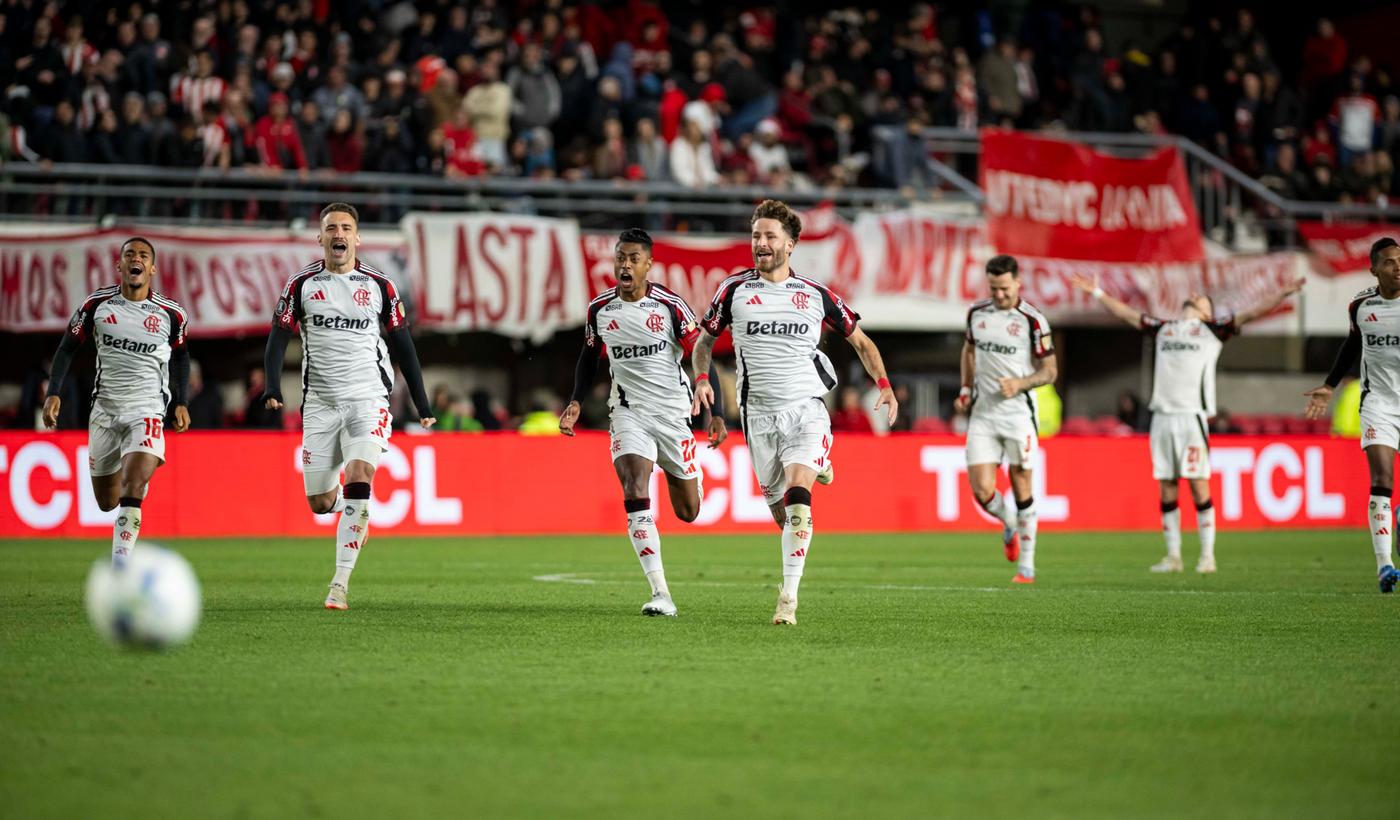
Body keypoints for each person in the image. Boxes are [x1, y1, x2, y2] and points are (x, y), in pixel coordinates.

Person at [691, 200, 897, 625]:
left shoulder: (815, 295)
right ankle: (820, 463)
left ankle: (788, 598)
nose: (761, 243)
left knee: (799, 499)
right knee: (783, 516)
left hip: (805, 410)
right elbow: (703, 342)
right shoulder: (733, 291)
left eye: (770, 236)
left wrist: (884, 385)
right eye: (756, 235)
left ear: (790, 244)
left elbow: (862, 342)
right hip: (757, 417)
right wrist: (702, 378)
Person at [262, 204, 435, 610]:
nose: (338, 234)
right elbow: (278, 336)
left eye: (345, 228)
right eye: (331, 228)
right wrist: (272, 384)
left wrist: (422, 402)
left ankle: (339, 583)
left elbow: (403, 344)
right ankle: (351, 510)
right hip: (320, 404)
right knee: (320, 502)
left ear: (356, 238)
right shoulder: (301, 285)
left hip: (367, 399)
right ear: (320, 238)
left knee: (360, 476)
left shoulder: (380, 285)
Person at [1074, 272, 1305, 574]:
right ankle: (1174, 557)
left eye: (1202, 299)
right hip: (1162, 418)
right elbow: (1128, 314)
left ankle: (1207, 556)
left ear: (1208, 313)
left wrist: (1281, 294)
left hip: (1191, 418)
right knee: (1167, 488)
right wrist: (1097, 292)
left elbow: (1251, 313)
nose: (1194, 296)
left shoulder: (1212, 330)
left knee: (1198, 486)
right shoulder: (1164, 329)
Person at [559, 228, 727, 617]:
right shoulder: (600, 309)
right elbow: (589, 357)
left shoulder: (670, 306)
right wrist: (576, 400)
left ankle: (687, 475)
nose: (626, 265)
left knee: (688, 511)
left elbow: (700, 350)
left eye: (634, 258)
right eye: (621, 257)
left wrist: (716, 410)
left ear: (648, 265)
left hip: (672, 414)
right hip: (627, 412)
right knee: (634, 485)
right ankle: (660, 593)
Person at [42, 238, 190, 568]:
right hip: (105, 412)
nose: (136, 259)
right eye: (129, 254)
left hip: (148, 409)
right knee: (107, 502)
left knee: (132, 486)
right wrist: (53, 391)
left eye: (143, 255)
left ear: (152, 268)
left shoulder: (171, 313)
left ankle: (120, 567)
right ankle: (133, 484)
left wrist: (181, 401)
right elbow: (67, 347)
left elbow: (181, 356)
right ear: (119, 265)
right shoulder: (97, 305)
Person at [1305, 238, 1400, 593]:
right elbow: (1352, 344)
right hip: (1378, 404)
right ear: (1374, 270)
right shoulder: (1361, 305)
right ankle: (1384, 565)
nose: (1398, 266)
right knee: (1382, 479)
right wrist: (1329, 385)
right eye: (1389, 262)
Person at [955, 255, 1056, 584]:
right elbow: (969, 351)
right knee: (982, 490)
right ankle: (1009, 521)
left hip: (1018, 416)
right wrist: (966, 388)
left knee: (1021, 483)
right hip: (984, 414)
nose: (999, 294)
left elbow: (1050, 371)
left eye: (1005, 288)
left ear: (1017, 282)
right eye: (994, 288)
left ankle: (1027, 566)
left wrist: (1021, 383)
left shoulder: (1033, 320)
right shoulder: (977, 313)